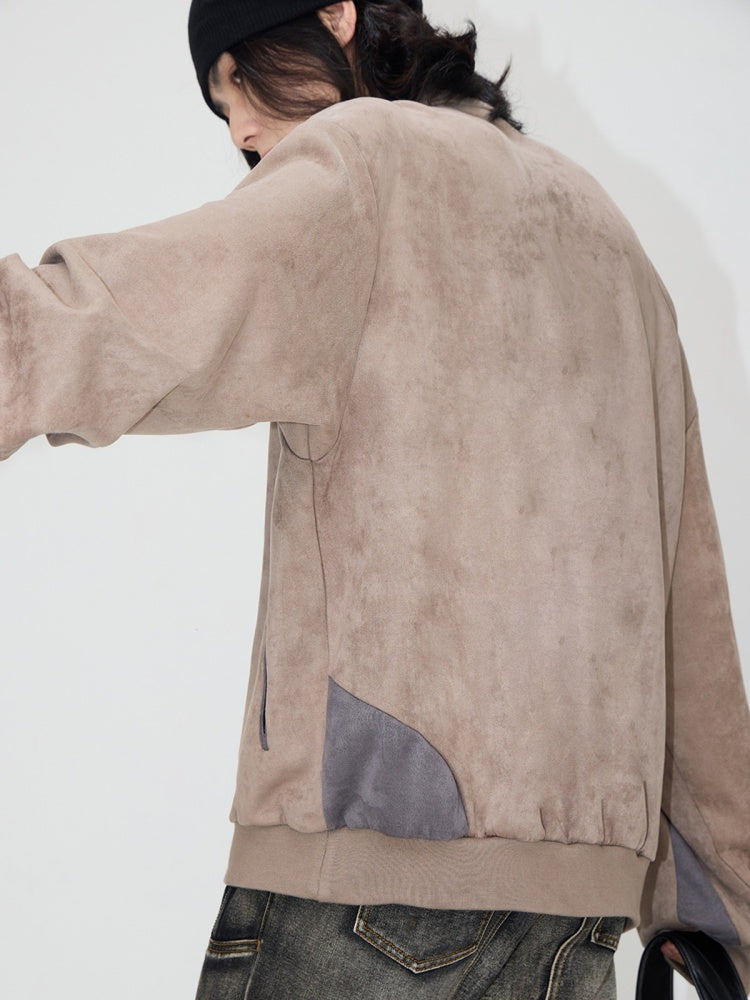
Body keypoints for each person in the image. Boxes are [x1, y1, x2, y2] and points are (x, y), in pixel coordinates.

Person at [1, 0, 749, 997]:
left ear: (336, 15)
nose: (241, 131)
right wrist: (726, 920)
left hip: (367, 885)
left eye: (238, 79)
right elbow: (690, 617)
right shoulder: (608, 234)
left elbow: (130, 313)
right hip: (573, 927)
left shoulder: (365, 165)